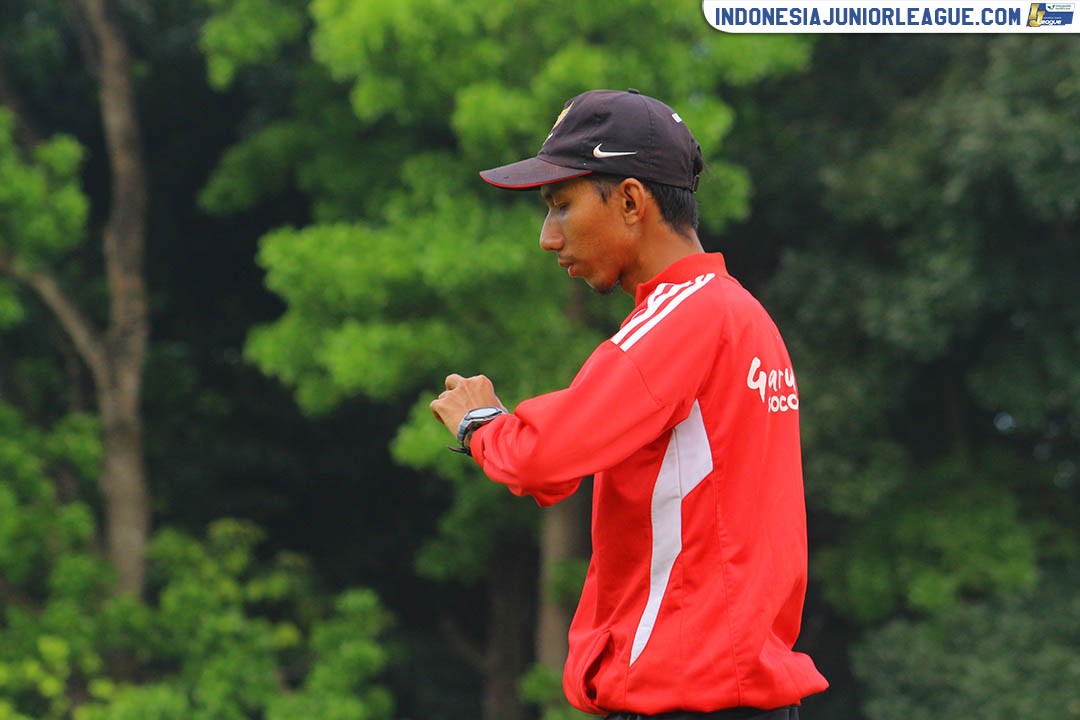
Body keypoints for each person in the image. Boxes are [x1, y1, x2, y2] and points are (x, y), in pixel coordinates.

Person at [429, 89, 828, 719]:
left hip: (685, 699)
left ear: (632, 201)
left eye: (561, 205)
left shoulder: (682, 318)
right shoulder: (742, 314)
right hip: (740, 694)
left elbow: (541, 459)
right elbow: (566, 465)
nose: (548, 237)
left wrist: (481, 423)